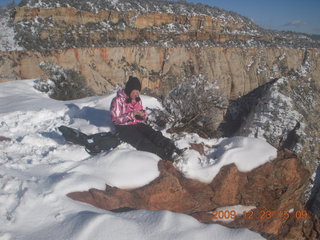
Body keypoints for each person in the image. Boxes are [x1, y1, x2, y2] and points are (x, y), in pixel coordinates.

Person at [110, 76, 180, 161]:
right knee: (142, 141)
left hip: (136, 124)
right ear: (129, 90)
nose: (136, 94)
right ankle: (162, 154)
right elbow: (115, 119)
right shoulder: (117, 100)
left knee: (153, 133)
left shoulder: (137, 100)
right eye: (134, 91)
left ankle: (172, 148)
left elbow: (141, 113)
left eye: (138, 91)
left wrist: (143, 115)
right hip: (124, 128)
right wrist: (132, 114)